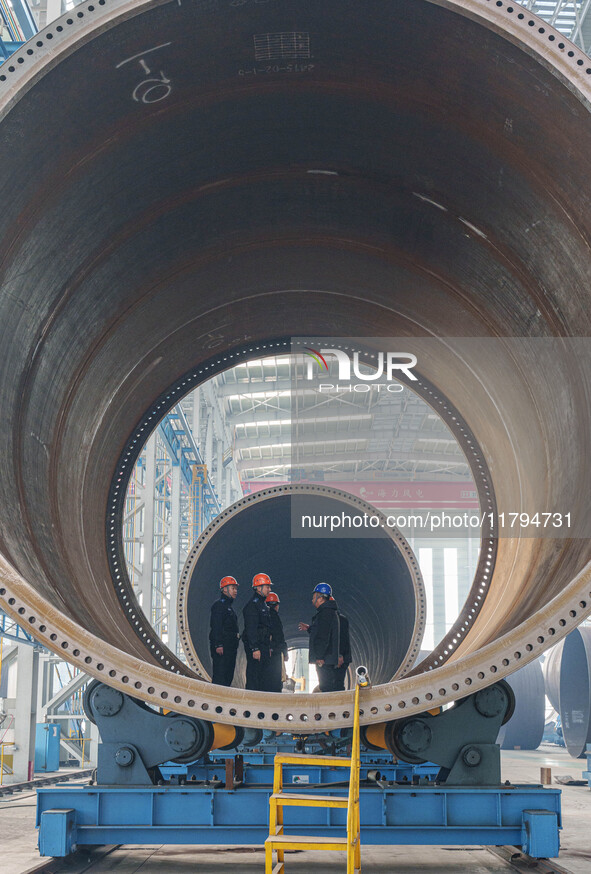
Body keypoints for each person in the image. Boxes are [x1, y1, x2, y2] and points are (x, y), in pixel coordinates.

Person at [298, 582, 340, 692]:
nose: (312, 600)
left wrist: (320, 657)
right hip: (327, 658)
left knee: (326, 687)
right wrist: (309, 628)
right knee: (326, 685)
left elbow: (323, 636)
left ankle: (329, 708)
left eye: (314, 597)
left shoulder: (325, 613)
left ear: (320, 598)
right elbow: (321, 631)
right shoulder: (327, 612)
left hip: (325, 659)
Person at [242, 572, 273, 691]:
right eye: (267, 587)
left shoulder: (263, 605)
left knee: (262, 676)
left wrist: (267, 648)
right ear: (258, 588)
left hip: (263, 646)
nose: (269, 590)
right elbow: (251, 628)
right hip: (257, 647)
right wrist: (254, 648)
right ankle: (251, 701)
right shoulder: (253, 606)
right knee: (254, 675)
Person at [209, 576, 240, 686]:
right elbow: (216, 626)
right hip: (223, 648)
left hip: (230, 647)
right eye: (233, 588)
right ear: (225, 589)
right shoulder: (219, 606)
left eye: (236, 589)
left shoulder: (229, 607)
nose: (235, 591)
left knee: (228, 676)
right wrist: (218, 644)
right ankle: (217, 702)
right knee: (220, 676)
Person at [266, 591, 288, 692]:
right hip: (276, 652)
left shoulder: (264, 616)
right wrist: (284, 652)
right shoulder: (275, 617)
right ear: (276, 606)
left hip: (269, 651)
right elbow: (280, 637)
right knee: (276, 678)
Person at [333, 608, 351, 691]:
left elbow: (342, 639)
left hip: (339, 658)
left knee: (336, 684)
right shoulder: (341, 619)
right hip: (339, 657)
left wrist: (339, 655)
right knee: (337, 684)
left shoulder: (339, 621)